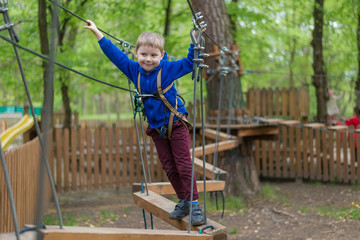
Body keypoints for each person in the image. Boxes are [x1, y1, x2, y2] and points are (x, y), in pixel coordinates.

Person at [84, 20, 205, 226]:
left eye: (153, 55)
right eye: (144, 54)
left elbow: (189, 62)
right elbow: (115, 55)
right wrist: (98, 34)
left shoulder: (167, 69)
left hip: (175, 123)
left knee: (183, 164)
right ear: (137, 54)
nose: (148, 59)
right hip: (157, 129)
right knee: (169, 167)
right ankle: (183, 200)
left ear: (162, 55)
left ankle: (194, 204)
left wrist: (195, 40)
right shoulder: (133, 70)